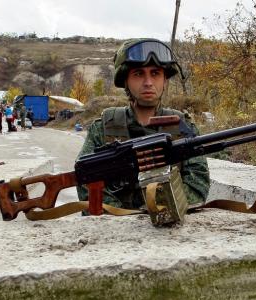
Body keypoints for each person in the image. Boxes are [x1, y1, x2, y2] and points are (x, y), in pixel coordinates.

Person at [76, 38, 210, 210]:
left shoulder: (183, 127)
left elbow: (198, 187)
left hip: (168, 229)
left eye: (155, 73)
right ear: (125, 81)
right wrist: (121, 215)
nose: (148, 82)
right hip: (115, 229)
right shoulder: (103, 127)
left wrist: (158, 206)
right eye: (138, 74)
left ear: (165, 80)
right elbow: (85, 179)